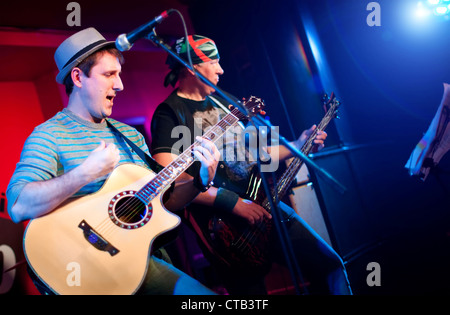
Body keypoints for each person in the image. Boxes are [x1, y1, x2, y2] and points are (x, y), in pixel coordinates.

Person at [6, 28, 221, 295]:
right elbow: (17, 206)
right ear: (78, 77)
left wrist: (199, 182)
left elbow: (164, 201)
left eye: (118, 74)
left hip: (140, 259)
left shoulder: (130, 135)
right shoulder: (49, 136)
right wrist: (84, 173)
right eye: (109, 74)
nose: (119, 85)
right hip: (85, 267)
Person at [150, 35, 352, 295]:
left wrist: (298, 143)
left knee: (330, 265)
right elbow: (166, 181)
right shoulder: (170, 112)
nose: (222, 70)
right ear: (191, 67)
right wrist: (230, 202)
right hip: (225, 229)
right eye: (214, 62)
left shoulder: (227, 100)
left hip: (265, 205)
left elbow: (255, 152)